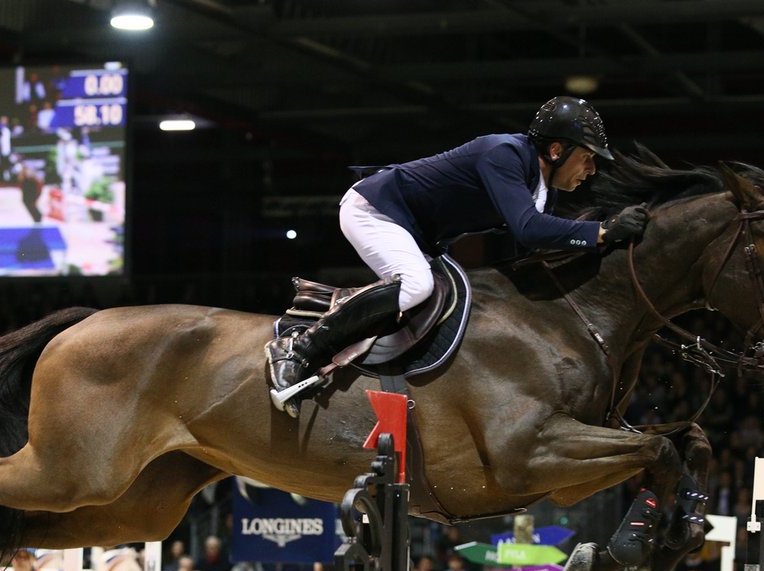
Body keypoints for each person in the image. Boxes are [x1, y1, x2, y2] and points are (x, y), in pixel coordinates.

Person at [265, 96, 650, 415]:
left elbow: (534, 246)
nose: (592, 169)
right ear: (556, 149)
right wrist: (602, 231)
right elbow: (529, 230)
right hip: (375, 210)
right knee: (416, 285)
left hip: (418, 233)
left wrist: (606, 244)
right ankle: (298, 350)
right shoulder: (504, 153)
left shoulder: (539, 186)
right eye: (588, 157)